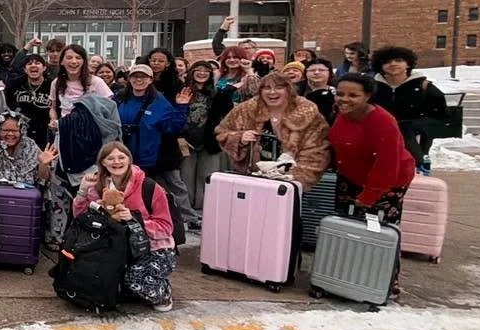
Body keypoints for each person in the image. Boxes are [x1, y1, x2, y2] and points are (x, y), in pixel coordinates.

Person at [329, 74, 417, 297]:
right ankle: (346, 277)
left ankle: (385, 282)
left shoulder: (382, 121)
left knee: (378, 231)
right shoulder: (342, 114)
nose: (344, 99)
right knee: (347, 228)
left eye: (353, 95)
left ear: (367, 96)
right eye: (340, 94)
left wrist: (370, 195)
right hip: (350, 178)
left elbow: (387, 163)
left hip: (387, 182)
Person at [72, 141, 176, 311]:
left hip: (155, 248)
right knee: (89, 275)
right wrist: (83, 191)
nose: (116, 162)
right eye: (110, 158)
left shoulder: (149, 187)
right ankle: (128, 285)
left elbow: (166, 227)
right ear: (103, 163)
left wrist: (135, 221)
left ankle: (162, 293)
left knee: (134, 279)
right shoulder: (100, 186)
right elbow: (81, 217)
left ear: (129, 159)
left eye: (121, 157)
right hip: (117, 248)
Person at [214, 71, 330, 188]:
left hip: (291, 179)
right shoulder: (247, 109)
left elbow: (319, 148)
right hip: (254, 178)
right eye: (267, 88)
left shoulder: (306, 110)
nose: (272, 92)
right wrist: (239, 138)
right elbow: (222, 132)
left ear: (288, 90)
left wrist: (298, 176)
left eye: (279, 87)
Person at [116, 64, 193, 223]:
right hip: (120, 156)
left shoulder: (160, 102)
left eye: (143, 77)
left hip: (147, 159)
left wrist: (181, 107)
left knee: (144, 194)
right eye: (135, 76)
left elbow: (172, 128)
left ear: (150, 79)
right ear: (129, 79)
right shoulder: (118, 99)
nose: (139, 80)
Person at [370, 46, 448, 168]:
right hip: (377, 143)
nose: (393, 64)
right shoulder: (371, 87)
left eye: (399, 60)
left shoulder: (424, 87)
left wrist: (411, 126)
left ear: (408, 64)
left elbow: (440, 116)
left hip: (414, 145)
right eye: (387, 61)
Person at [178, 59, 222, 215]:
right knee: (185, 176)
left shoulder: (218, 94)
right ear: (192, 72)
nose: (202, 73)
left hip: (209, 142)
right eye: (199, 69)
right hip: (185, 140)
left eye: (206, 70)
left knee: (207, 176)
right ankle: (186, 209)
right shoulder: (182, 91)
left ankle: (204, 210)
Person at [0, 111, 54, 186]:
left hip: (25, 198)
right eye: (6, 130)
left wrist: (43, 165)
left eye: (15, 131)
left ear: (21, 131)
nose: (10, 134)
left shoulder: (30, 146)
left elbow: (42, 183)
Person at [50, 45, 113, 130]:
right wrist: (53, 120)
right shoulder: (56, 83)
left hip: (90, 134)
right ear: (62, 61)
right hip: (65, 131)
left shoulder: (95, 82)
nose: (74, 61)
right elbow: (53, 108)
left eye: (78, 58)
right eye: (69, 58)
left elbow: (110, 108)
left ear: (84, 62)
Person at [8, 54, 55, 149]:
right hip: (21, 132)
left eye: (37, 63)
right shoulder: (15, 84)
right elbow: (9, 104)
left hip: (46, 133)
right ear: (25, 69)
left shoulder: (52, 85)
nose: (33, 65)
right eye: (29, 64)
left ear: (44, 67)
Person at [303, 59, 337, 126]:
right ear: (305, 73)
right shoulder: (297, 90)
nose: (316, 72)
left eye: (321, 70)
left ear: (329, 73)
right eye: (312, 70)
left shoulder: (336, 93)